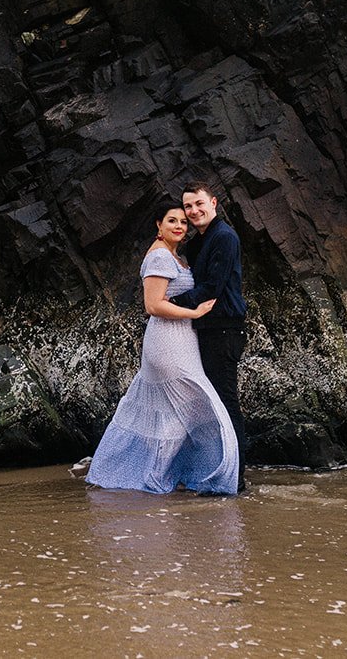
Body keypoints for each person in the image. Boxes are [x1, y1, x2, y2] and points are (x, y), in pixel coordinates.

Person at [86, 200, 241, 496]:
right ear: (158, 225)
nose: (180, 226)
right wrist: (194, 313)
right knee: (195, 407)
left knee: (174, 415)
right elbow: (153, 305)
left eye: (183, 222)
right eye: (172, 221)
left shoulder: (176, 256)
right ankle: (169, 479)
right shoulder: (159, 256)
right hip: (167, 342)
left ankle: (157, 477)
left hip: (182, 339)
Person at [171, 181, 248, 491]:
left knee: (227, 404)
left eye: (199, 204)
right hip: (204, 329)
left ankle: (236, 479)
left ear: (213, 202)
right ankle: (213, 470)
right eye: (188, 206)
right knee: (208, 405)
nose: (194, 211)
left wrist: (166, 306)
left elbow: (211, 290)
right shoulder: (198, 242)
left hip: (225, 329)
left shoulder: (224, 237)